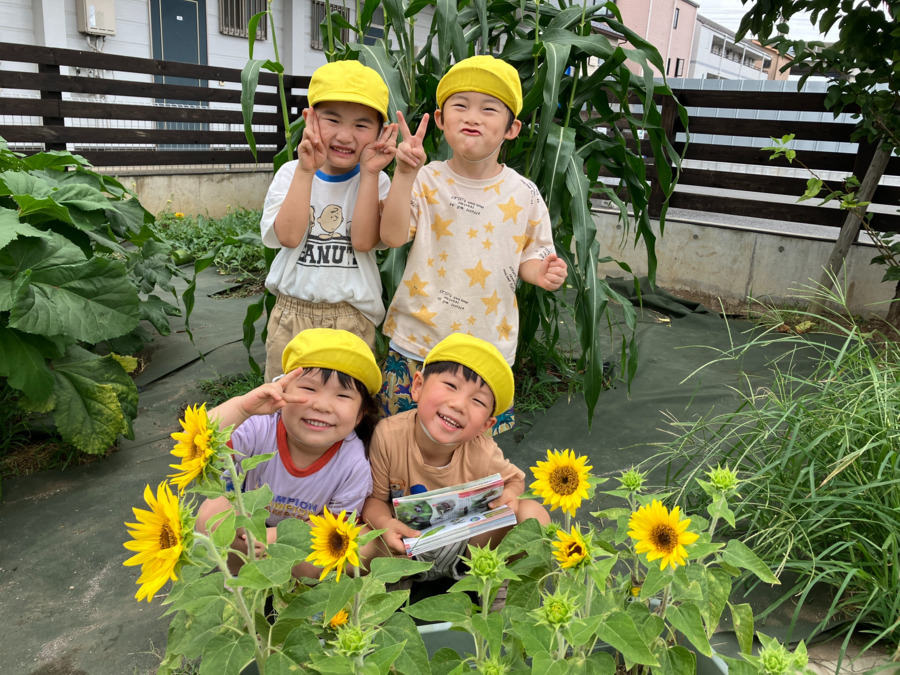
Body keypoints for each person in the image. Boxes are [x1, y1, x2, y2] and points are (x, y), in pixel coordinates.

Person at [378, 55, 568, 434]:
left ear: (512, 128)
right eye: (460, 106)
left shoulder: (524, 194)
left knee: (467, 454)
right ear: (442, 118)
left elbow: (531, 256)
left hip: (485, 349)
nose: (472, 117)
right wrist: (402, 174)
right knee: (396, 440)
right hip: (418, 341)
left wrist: (543, 271)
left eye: (488, 109)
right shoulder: (426, 179)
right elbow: (392, 236)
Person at [362, 333, 550, 582]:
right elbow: (374, 500)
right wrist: (386, 525)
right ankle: (382, 594)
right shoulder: (388, 435)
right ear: (417, 386)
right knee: (357, 543)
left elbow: (515, 481)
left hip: (469, 551)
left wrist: (508, 499)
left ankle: (500, 587)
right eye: (451, 386)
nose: (459, 404)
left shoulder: (482, 451)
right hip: (404, 548)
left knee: (533, 516)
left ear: (486, 425)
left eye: (477, 401)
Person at [196, 328, 382, 578]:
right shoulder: (260, 428)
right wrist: (242, 407)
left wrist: (273, 538)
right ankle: (238, 578)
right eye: (308, 389)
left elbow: (334, 528)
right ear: (281, 391)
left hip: (300, 540)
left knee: (356, 548)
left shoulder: (352, 464)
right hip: (246, 528)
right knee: (212, 515)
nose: (321, 405)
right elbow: (200, 441)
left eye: (342, 395)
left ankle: (298, 594)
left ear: (360, 415)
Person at [260, 60, 399, 383]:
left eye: (362, 125)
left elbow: (363, 242)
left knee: (347, 402)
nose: (345, 135)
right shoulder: (290, 174)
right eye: (332, 119)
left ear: (381, 130)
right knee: (284, 400)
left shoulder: (376, 181)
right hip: (292, 312)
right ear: (309, 119)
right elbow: (289, 236)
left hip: (351, 316)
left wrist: (369, 174)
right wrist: (306, 171)